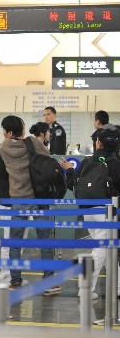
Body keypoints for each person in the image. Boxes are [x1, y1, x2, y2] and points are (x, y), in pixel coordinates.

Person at [0, 115, 60, 296]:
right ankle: (49, 282)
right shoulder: (32, 142)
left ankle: (15, 281)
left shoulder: (3, 147)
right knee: (45, 241)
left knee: (15, 243)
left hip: (18, 198)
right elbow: (47, 159)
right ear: (21, 129)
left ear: (9, 132)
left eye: (3, 129)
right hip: (38, 197)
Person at [59, 128, 120, 300]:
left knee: (109, 249)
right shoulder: (116, 164)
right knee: (102, 249)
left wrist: (70, 170)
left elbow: (72, 185)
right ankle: (85, 289)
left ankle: (117, 287)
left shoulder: (87, 162)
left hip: (87, 211)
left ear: (98, 143)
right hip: (107, 211)